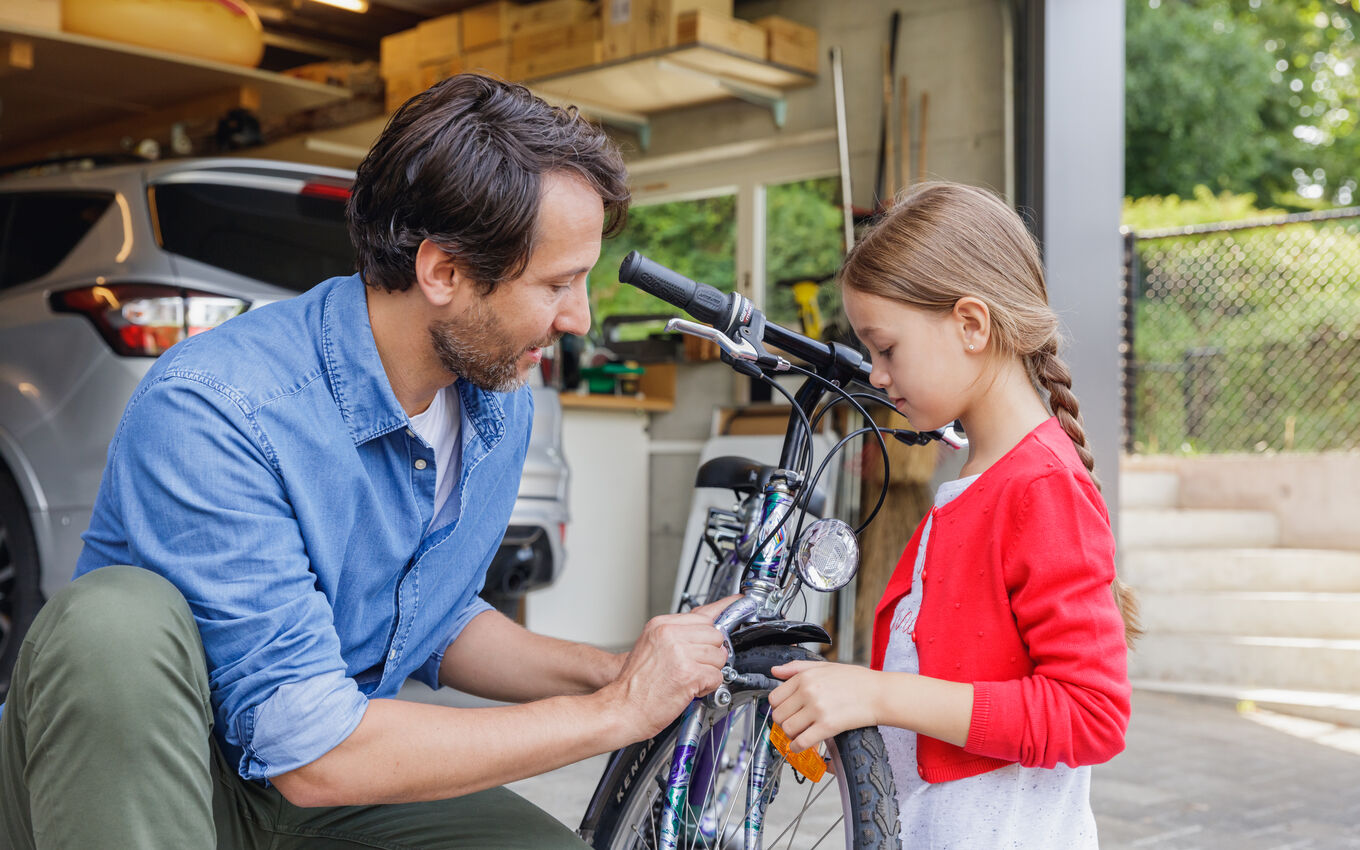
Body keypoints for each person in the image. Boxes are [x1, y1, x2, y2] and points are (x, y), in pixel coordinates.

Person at [0, 74, 731, 849]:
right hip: (158, 778)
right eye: (557, 283)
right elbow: (313, 752)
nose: (579, 318)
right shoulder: (217, 404)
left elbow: (433, 617)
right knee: (115, 621)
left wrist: (615, 670)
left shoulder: (493, 398)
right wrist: (613, 715)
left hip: (314, 786)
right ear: (443, 272)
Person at [768, 181, 1139, 848]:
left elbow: (1091, 714)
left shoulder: (1038, 487)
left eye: (887, 348)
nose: (876, 375)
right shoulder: (977, 477)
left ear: (971, 324)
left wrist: (878, 696)